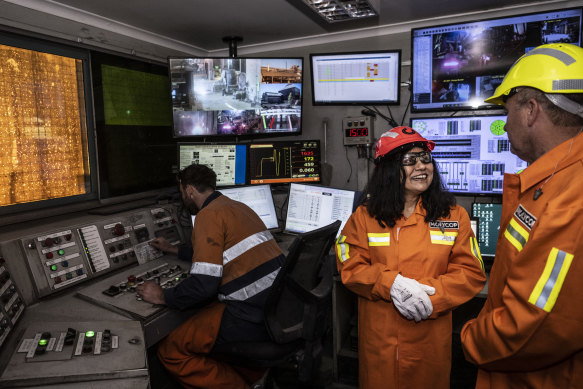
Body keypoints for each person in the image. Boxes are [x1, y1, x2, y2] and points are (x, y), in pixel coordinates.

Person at [461, 43, 583, 388]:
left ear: (530, 111)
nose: (505, 122)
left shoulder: (570, 199)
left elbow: (533, 328)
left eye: (507, 110)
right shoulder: (552, 180)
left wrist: (469, 338)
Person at [335, 126, 487, 389]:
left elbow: (471, 272)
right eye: (409, 160)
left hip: (429, 344)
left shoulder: (453, 216)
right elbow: (349, 263)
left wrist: (429, 296)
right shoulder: (364, 216)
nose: (421, 166)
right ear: (388, 169)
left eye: (425, 158)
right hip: (380, 347)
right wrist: (389, 283)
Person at [136, 163, 285, 389]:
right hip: (275, 307)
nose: (183, 197)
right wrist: (174, 249)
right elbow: (221, 249)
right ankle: (255, 377)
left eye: (182, 192)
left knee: (172, 350)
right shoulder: (237, 207)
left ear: (189, 190)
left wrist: (162, 296)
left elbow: (203, 285)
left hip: (247, 313)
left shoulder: (207, 215)